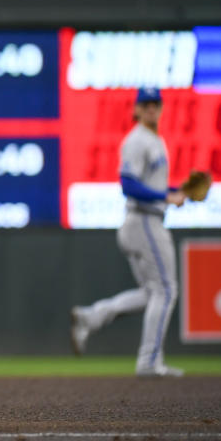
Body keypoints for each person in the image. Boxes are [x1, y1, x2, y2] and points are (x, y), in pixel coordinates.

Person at [70, 87, 186, 378]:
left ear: (160, 108)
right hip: (144, 220)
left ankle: (92, 316)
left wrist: (178, 192)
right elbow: (128, 184)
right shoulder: (137, 140)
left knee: (152, 293)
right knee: (166, 289)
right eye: (145, 104)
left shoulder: (154, 140)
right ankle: (149, 362)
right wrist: (166, 197)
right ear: (135, 109)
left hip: (142, 221)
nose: (150, 109)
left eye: (155, 104)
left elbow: (152, 186)